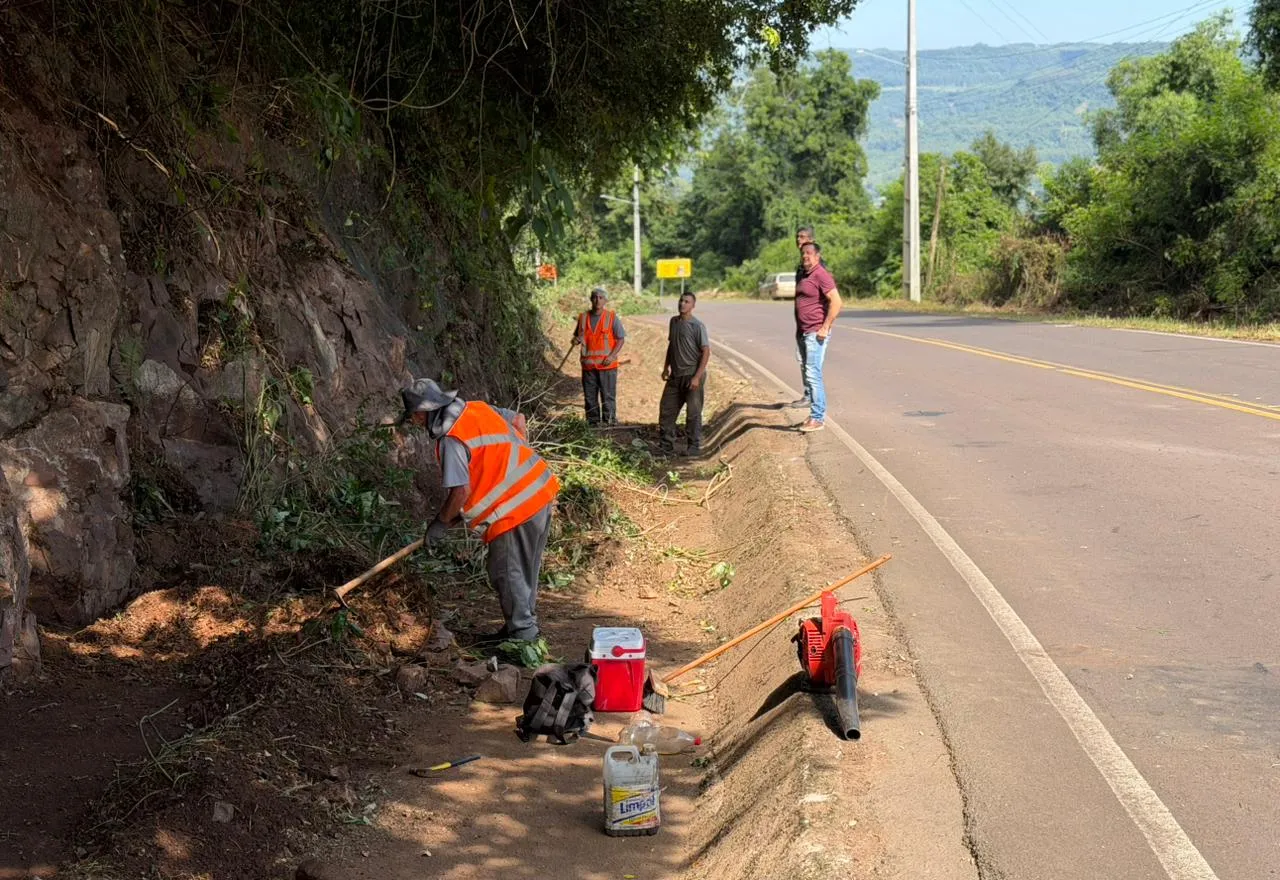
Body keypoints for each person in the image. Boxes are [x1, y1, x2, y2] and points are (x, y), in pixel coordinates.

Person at [398, 378, 559, 645]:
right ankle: (521, 626)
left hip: (512, 510)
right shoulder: (477, 408)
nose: (414, 422)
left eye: (413, 417)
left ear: (421, 413)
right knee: (526, 567)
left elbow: (460, 491)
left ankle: (523, 637)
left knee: (506, 570)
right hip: (539, 491)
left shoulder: (451, 440)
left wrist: (440, 522)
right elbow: (518, 420)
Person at [794, 241, 842, 433]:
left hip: (816, 332)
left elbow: (836, 302)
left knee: (813, 375)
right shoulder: (807, 275)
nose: (805, 256)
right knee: (810, 372)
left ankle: (818, 417)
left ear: (817, 256)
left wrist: (825, 327)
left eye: (809, 253)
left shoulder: (821, 274)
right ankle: (814, 414)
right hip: (806, 331)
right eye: (803, 254)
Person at [659, 292, 711, 456]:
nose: (682, 304)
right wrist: (666, 366)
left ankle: (693, 446)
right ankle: (666, 445)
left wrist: (696, 377)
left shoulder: (697, 326)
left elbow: (706, 351)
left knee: (693, 413)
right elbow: (671, 345)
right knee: (667, 410)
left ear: (693, 306)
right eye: (681, 300)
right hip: (675, 375)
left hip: (692, 375)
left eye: (687, 302)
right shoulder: (673, 322)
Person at [572, 286, 626, 425]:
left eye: (601, 298)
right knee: (590, 397)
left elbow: (620, 338)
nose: (597, 300)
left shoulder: (611, 317)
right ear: (591, 299)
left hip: (607, 365)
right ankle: (593, 423)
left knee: (608, 396)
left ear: (605, 301)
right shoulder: (583, 318)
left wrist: (612, 356)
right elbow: (576, 338)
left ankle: (609, 422)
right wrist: (575, 340)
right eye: (595, 297)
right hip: (588, 366)